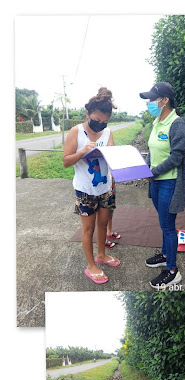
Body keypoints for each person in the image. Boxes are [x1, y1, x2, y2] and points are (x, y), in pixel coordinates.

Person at [63, 87, 119, 285]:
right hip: (85, 190)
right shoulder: (76, 132)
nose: (100, 125)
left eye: (104, 122)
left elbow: (112, 158)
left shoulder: (108, 132)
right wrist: (82, 152)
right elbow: (66, 161)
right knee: (88, 229)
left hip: (105, 188)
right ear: (87, 113)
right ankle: (91, 265)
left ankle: (101, 255)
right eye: (96, 120)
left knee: (103, 224)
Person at [139, 82, 185, 288]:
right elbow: (152, 150)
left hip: (169, 181)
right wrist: (146, 168)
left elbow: (177, 156)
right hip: (156, 182)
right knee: (163, 222)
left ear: (165, 100)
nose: (150, 103)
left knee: (168, 226)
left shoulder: (177, 123)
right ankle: (164, 254)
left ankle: (172, 270)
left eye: (153, 99)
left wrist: (154, 172)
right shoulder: (156, 122)